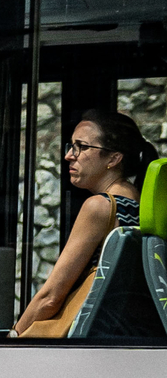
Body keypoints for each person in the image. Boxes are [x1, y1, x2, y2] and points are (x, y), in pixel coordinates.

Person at [15, 106, 155, 336]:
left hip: (94, 338)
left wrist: (13, 337)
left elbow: (50, 297)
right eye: (72, 146)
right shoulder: (140, 204)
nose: (69, 155)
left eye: (82, 147)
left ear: (113, 158)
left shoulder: (100, 207)